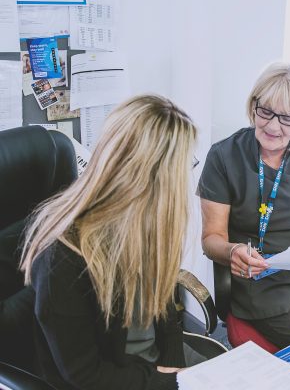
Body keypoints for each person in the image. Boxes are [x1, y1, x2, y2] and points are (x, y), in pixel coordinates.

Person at [20, 95, 198, 390]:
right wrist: (169, 382)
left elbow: (167, 315)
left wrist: (175, 370)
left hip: (156, 370)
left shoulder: (149, 223)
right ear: (148, 176)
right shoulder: (62, 255)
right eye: (182, 167)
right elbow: (86, 376)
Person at [198, 62, 290, 349]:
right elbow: (211, 239)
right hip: (260, 279)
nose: (271, 125)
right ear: (253, 105)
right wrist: (234, 251)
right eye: (265, 111)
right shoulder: (223, 156)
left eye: (286, 118)